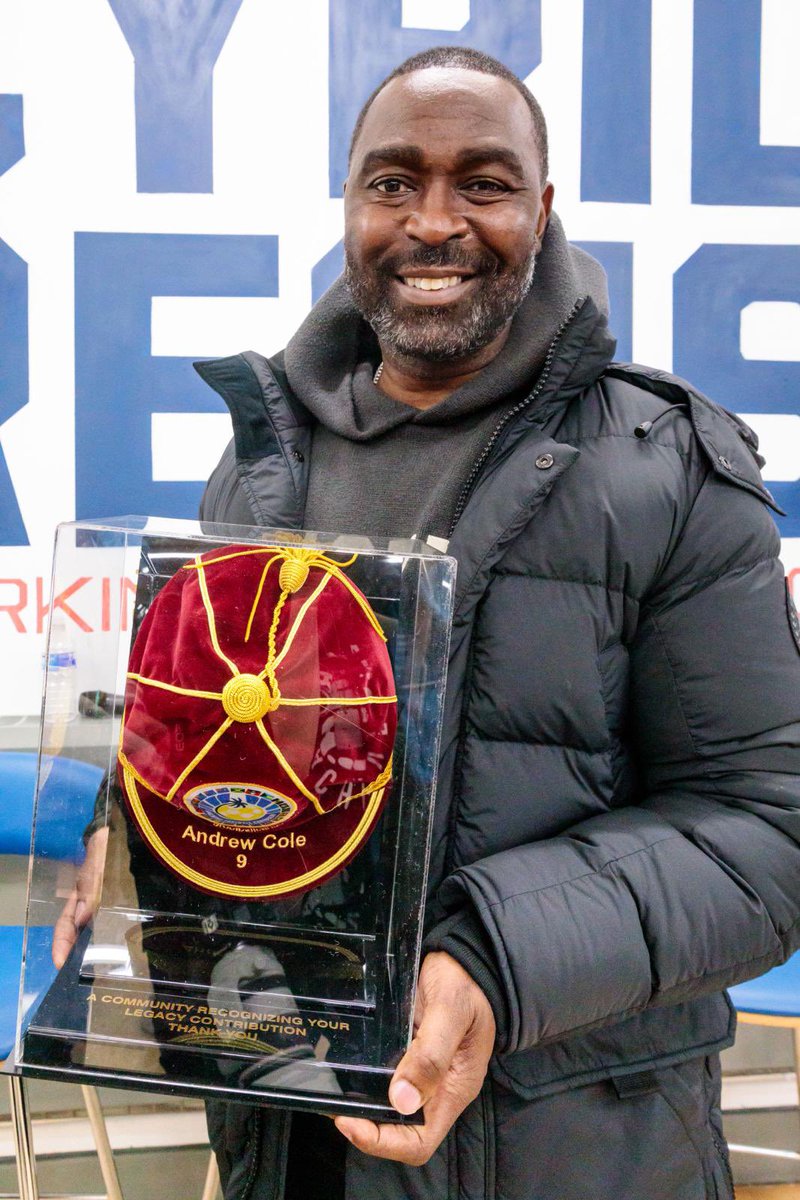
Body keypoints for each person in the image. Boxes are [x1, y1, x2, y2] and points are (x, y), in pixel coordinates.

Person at [59, 46, 800, 1200]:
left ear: (542, 210)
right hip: (290, 1126)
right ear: (351, 206)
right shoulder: (256, 466)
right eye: (393, 183)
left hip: (567, 1145)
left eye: (484, 184)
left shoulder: (669, 468)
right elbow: (239, 740)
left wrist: (492, 958)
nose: (434, 221)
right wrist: (142, 829)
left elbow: (765, 836)